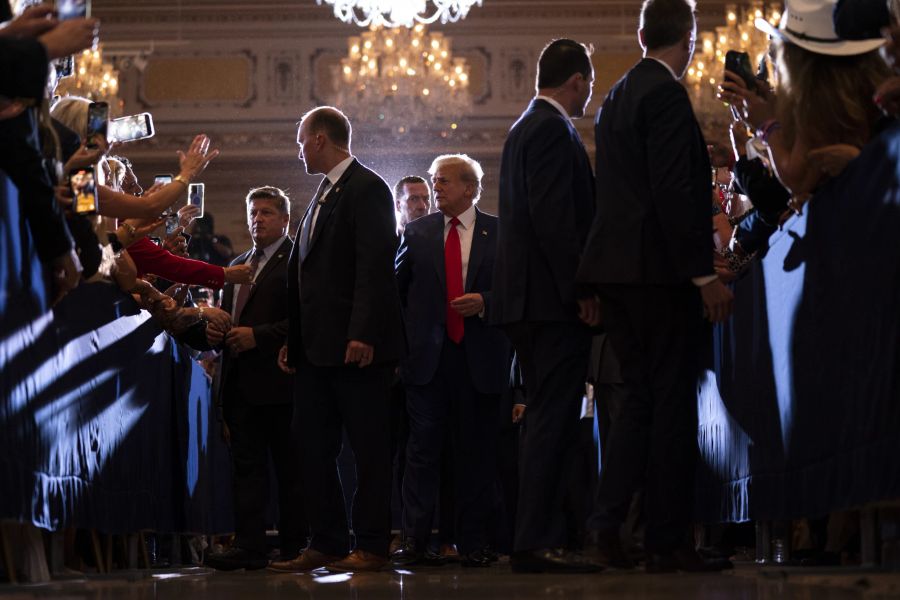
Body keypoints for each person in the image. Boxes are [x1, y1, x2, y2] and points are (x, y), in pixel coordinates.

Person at [576, 0, 733, 572]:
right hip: (659, 276)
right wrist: (703, 273)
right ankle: (667, 541)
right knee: (670, 406)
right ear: (689, 39)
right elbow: (673, 192)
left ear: (642, 33)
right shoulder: (665, 94)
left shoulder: (618, 94)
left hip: (619, 273)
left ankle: (607, 526)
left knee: (639, 405)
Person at [270, 106, 404, 573]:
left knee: (369, 450)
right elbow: (305, 275)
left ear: (321, 139)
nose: (299, 149)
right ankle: (326, 539)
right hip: (314, 352)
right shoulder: (320, 196)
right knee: (309, 445)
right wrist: (294, 336)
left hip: (356, 349)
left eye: (301, 140)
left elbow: (374, 266)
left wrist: (363, 332)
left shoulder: (368, 188)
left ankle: (371, 544)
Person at [490, 38, 601, 574]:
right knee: (553, 421)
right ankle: (538, 541)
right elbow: (556, 222)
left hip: (525, 302)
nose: (589, 95)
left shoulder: (522, 128)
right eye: (590, 85)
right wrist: (580, 290)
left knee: (543, 419)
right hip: (551, 304)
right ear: (577, 80)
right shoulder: (554, 130)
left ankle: (535, 537)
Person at [393, 154, 509, 568]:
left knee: (476, 456)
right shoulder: (418, 232)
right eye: (433, 181)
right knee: (422, 455)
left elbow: (517, 292)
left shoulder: (501, 232)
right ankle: (415, 542)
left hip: (481, 361)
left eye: (443, 182)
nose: (435, 188)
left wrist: (486, 302)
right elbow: (397, 294)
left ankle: (474, 543)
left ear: (470, 189)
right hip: (426, 363)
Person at [203, 186, 307, 571]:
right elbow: (229, 316)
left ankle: (297, 546)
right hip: (241, 385)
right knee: (246, 470)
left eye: (266, 212)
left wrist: (257, 337)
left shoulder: (298, 258)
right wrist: (213, 331)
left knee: (289, 470)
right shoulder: (239, 264)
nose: (257, 219)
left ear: (285, 219)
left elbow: (305, 319)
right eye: (253, 212)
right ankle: (250, 546)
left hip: (282, 383)